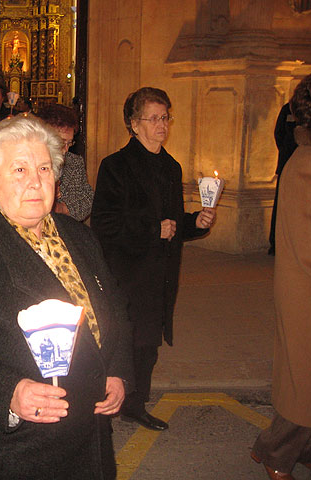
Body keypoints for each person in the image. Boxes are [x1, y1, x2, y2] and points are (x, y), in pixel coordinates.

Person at [0, 116, 133, 480]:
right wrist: (9, 392)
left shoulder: (77, 236)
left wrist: (116, 369)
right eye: (18, 169)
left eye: (44, 168)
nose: (35, 181)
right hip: (18, 450)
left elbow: (113, 306)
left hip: (87, 432)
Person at [91, 87, 215, 431]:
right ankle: (106, 403)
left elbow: (172, 222)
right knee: (123, 343)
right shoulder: (116, 166)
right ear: (134, 123)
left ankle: (134, 404)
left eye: (166, 117)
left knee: (148, 346)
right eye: (154, 118)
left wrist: (195, 223)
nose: (162, 125)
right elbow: (104, 223)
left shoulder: (171, 167)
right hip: (128, 271)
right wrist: (151, 229)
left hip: (160, 273)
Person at [250, 70, 311, 480]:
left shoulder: (309, 158)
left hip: (305, 291)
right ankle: (277, 454)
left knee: (306, 382)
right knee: (310, 384)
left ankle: (289, 447)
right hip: (309, 292)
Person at [37, 104, 94, 221]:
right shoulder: (28, 163)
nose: (66, 149)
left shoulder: (74, 162)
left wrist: (62, 208)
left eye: (69, 143)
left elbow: (88, 199)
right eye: (62, 142)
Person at [267, 102, 298, 256]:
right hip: (287, 162)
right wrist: (286, 151)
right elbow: (279, 133)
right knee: (282, 206)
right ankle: (276, 243)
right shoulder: (289, 108)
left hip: (296, 162)